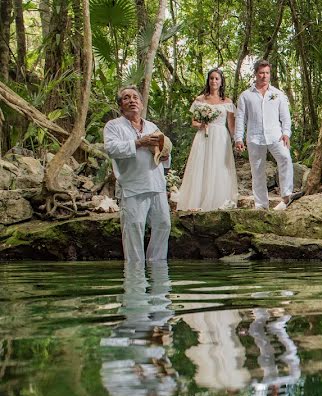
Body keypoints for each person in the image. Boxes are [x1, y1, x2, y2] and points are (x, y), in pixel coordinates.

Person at [103, 86, 171, 263]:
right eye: (126, 98)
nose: (132, 100)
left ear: (141, 104)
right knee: (134, 230)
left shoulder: (151, 126)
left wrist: (165, 155)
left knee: (163, 225)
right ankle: (135, 279)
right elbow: (111, 149)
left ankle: (157, 269)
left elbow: (161, 153)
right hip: (133, 185)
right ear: (120, 106)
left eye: (135, 98)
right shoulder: (113, 126)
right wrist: (139, 142)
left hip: (156, 184)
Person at [174, 68, 239, 211]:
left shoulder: (227, 101)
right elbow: (194, 122)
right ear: (208, 81)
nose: (214, 81)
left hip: (221, 137)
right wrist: (202, 124)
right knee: (201, 166)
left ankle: (218, 201)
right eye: (211, 78)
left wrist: (238, 140)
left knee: (219, 167)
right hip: (203, 136)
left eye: (217, 79)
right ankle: (197, 201)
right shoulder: (200, 99)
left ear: (221, 82)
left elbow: (231, 125)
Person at [234, 60, 293, 211]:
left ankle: (286, 197)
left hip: (276, 136)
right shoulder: (245, 96)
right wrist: (238, 138)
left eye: (267, 73)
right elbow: (240, 118)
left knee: (285, 158)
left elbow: (285, 117)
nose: (264, 76)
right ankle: (261, 205)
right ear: (255, 74)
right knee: (257, 170)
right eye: (261, 73)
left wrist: (286, 133)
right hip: (254, 137)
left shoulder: (278, 94)